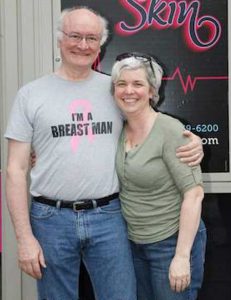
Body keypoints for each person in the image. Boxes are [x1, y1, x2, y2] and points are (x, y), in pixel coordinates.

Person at [5, 6, 203, 300]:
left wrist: (192, 142)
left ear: (101, 44)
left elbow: (149, 124)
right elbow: (15, 170)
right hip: (50, 218)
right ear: (60, 39)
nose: (82, 45)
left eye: (91, 38)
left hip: (108, 217)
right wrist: (24, 238)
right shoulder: (31, 95)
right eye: (74, 36)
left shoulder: (114, 90)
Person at [111, 52, 207, 300]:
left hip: (171, 243)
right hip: (134, 244)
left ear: (152, 91)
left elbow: (194, 194)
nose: (128, 91)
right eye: (121, 84)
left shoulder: (169, 130)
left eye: (138, 84)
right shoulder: (117, 130)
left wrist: (182, 256)